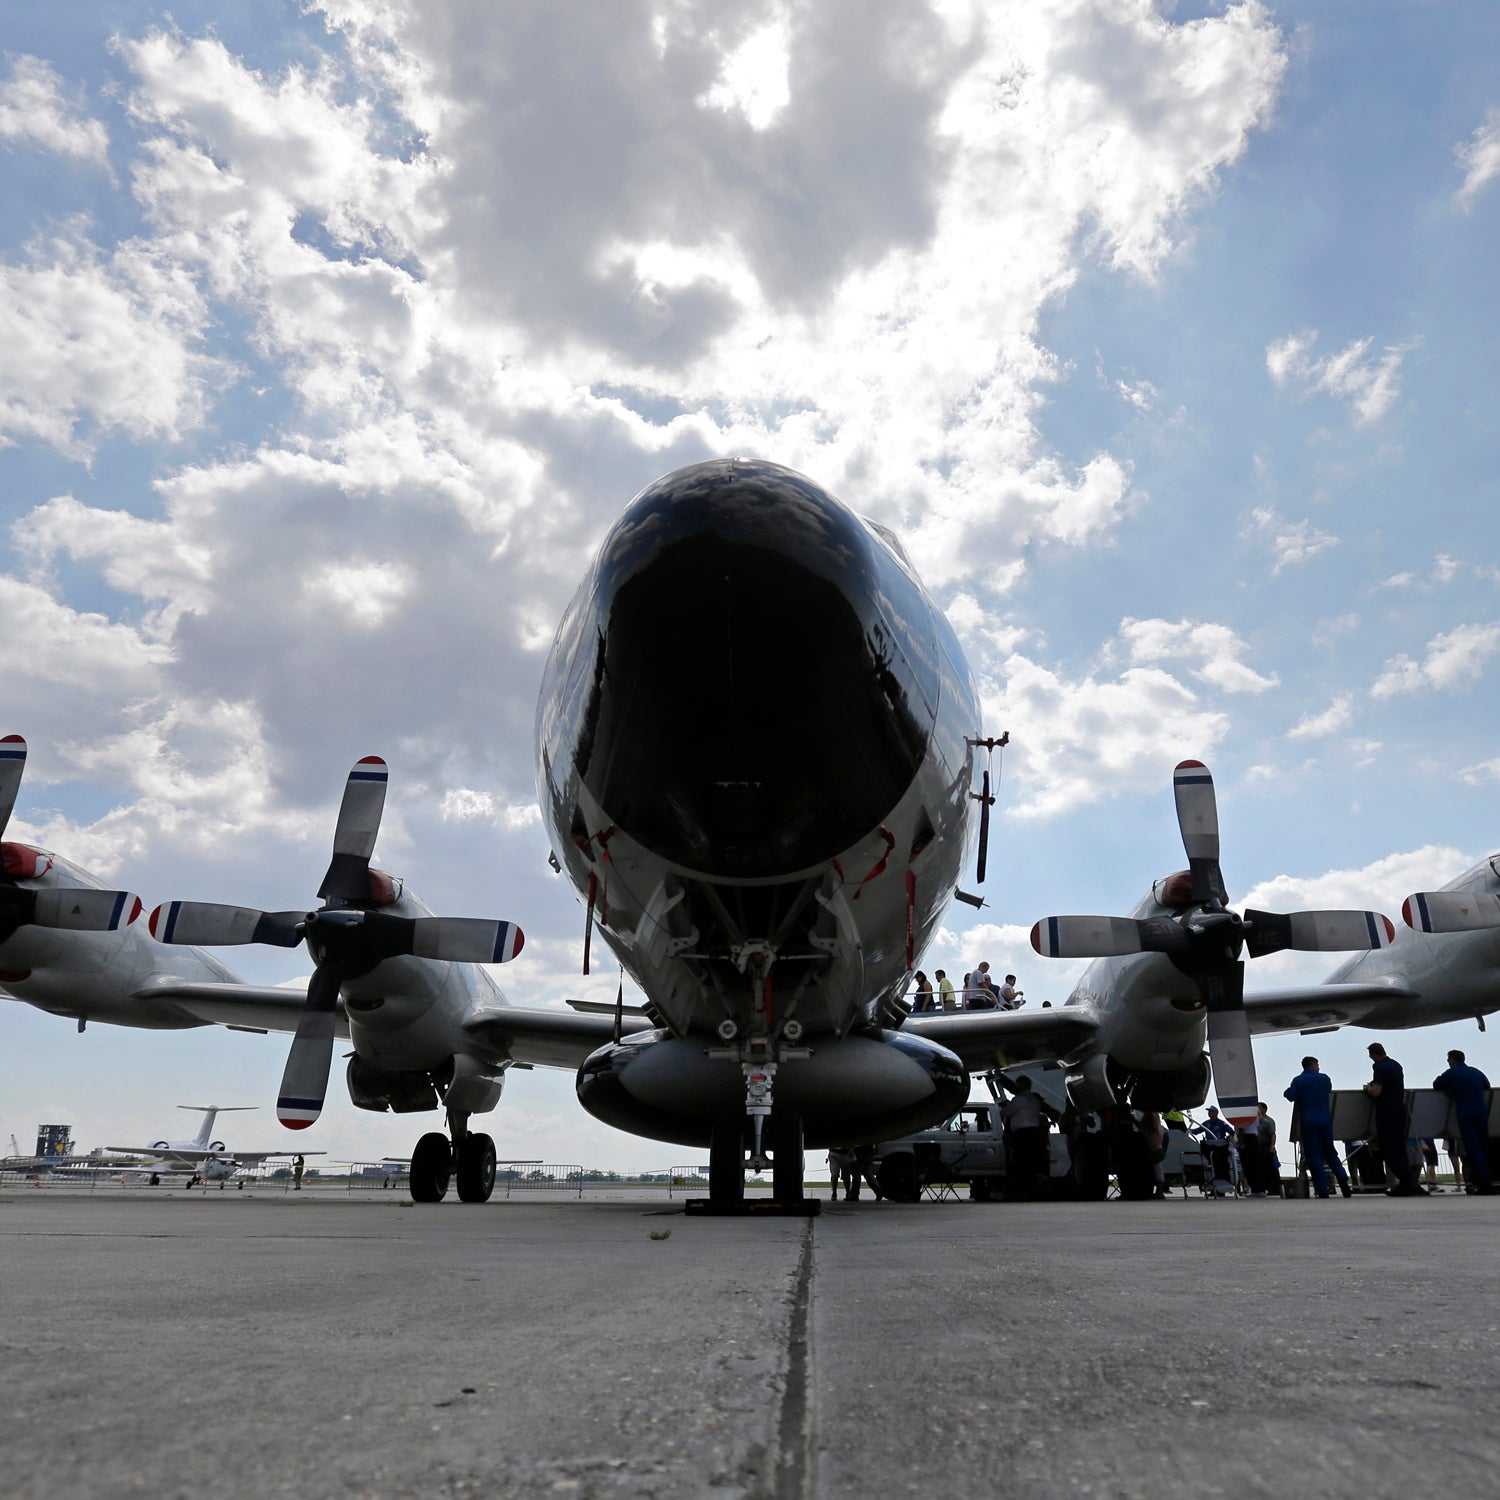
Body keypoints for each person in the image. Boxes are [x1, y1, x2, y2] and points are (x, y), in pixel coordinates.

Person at [1283, 1057, 1352, 1199]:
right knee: (1330, 1152)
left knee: (1314, 1156)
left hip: (1308, 1122)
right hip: (1325, 1121)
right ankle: (1342, 1178)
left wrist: (1286, 1091)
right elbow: (1328, 1090)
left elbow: (1291, 1096)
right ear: (1314, 1064)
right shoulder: (1324, 1079)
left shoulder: (1298, 1080)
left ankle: (1322, 1190)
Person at [1432, 1049, 1495, 1194]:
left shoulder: (1452, 1073)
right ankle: (1484, 1180)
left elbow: (1437, 1084)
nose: (1448, 1062)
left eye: (1448, 1059)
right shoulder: (1476, 1072)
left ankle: (1484, 1184)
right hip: (1481, 1113)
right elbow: (1487, 1085)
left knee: (1472, 1149)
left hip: (1465, 1114)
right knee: (1483, 1147)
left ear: (1453, 1060)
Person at [1364, 1043, 1424, 1195]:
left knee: (1388, 1149)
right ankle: (1409, 1183)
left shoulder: (1380, 1068)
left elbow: (1376, 1092)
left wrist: (1368, 1089)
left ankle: (1406, 1182)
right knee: (1398, 1147)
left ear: (1372, 1054)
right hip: (1399, 1110)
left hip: (1386, 1112)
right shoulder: (1396, 1065)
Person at [999, 1075, 1057, 1199]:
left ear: (1020, 1086)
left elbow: (1006, 1112)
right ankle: (1033, 1190)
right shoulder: (1035, 1100)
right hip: (1034, 1134)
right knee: (1032, 1162)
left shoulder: (1019, 1099)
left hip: (1022, 1135)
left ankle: (1021, 1190)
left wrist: (1003, 1107)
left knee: (1020, 1162)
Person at [1190, 1106, 1236, 1194]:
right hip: (1209, 1149)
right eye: (1208, 1112)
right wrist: (1188, 1130)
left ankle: (1223, 1186)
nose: (1209, 1113)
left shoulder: (1222, 1124)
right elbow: (1197, 1131)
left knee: (1221, 1165)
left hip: (1220, 1149)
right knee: (1209, 1167)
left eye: (1211, 1112)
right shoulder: (1206, 1124)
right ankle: (1212, 1186)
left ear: (1216, 1113)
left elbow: (1232, 1133)